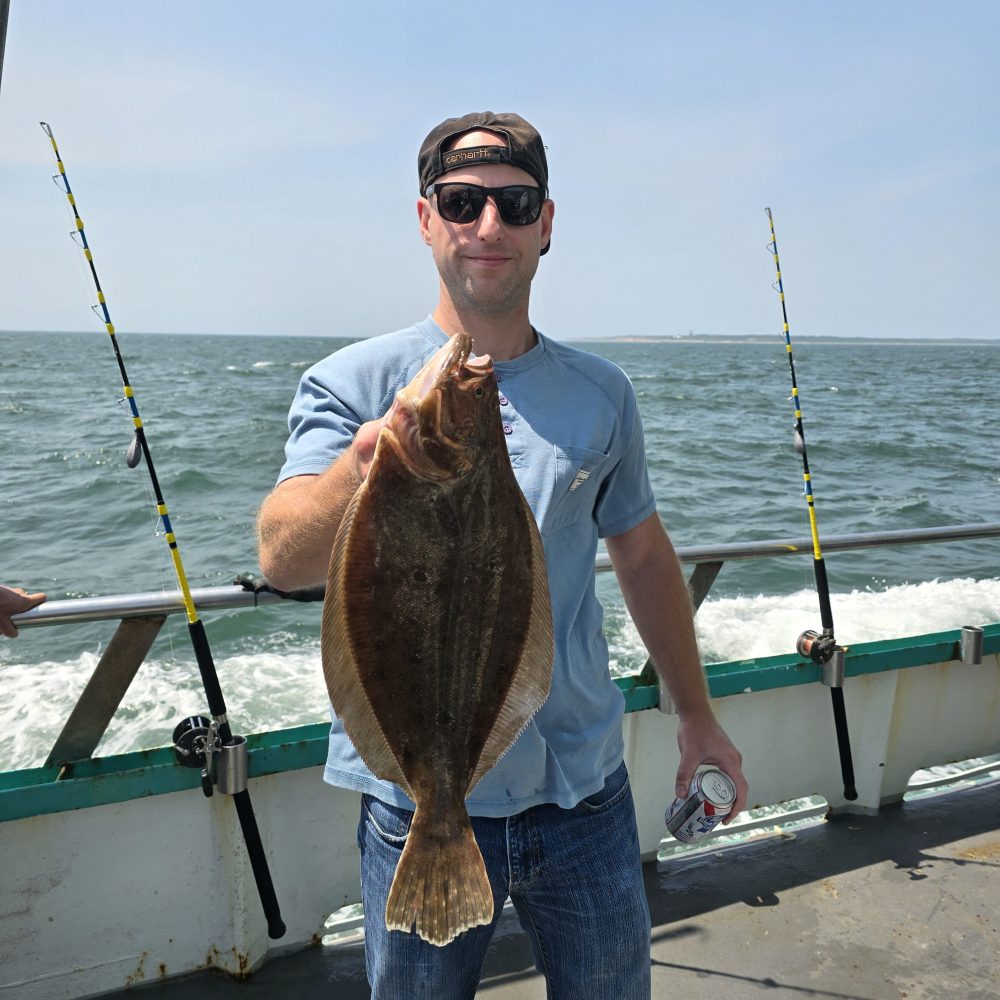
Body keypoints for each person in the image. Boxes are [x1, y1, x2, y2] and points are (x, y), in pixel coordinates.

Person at [257, 111, 748, 999]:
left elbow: (641, 555)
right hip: (416, 805)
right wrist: (368, 460)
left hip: (583, 793)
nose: (489, 226)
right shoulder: (351, 384)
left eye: (514, 204)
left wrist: (698, 718)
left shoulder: (603, 393)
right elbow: (285, 559)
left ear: (546, 224)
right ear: (426, 218)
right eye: (463, 201)